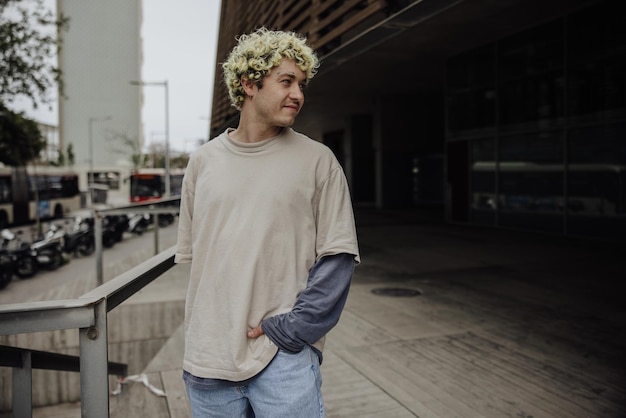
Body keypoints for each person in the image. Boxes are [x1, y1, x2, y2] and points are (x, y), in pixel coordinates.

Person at [175, 27, 360, 417]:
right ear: (249, 83)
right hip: (208, 361)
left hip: (282, 361)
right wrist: (200, 340)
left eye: (302, 84)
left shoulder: (318, 161)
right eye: (286, 81)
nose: (298, 94)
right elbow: (202, 263)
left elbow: (338, 256)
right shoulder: (202, 163)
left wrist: (292, 331)